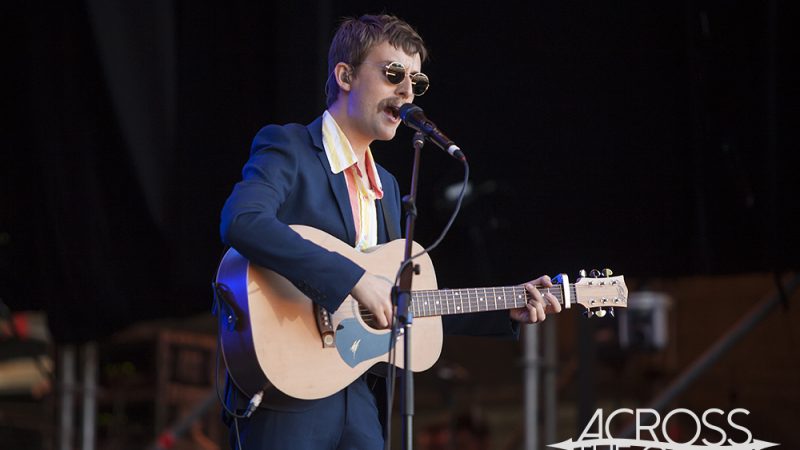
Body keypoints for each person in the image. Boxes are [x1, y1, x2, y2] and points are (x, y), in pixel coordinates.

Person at [219, 13, 561, 450]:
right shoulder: (290, 147)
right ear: (345, 76)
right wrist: (352, 279)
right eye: (393, 74)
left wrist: (504, 309)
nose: (407, 92)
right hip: (289, 389)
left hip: (359, 392)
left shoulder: (388, 186)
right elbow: (242, 220)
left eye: (417, 82)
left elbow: (397, 305)